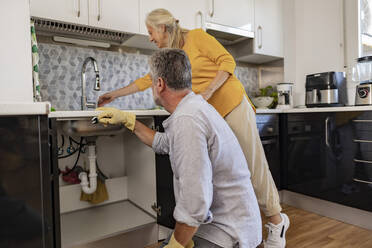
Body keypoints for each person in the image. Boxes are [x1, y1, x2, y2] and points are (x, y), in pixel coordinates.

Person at [98, 8, 289, 247]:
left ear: (163, 28)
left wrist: (207, 92)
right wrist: (113, 96)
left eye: (150, 32)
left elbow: (227, 61)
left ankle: (276, 221)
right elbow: (146, 81)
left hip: (231, 103)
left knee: (252, 166)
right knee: (220, 170)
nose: (149, 37)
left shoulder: (196, 37)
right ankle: (224, 226)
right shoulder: (171, 56)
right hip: (207, 109)